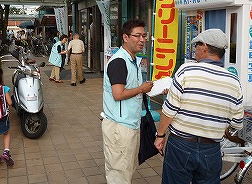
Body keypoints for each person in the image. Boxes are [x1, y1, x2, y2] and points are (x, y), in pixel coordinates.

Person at [154, 29, 244, 184]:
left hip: (181, 145)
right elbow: (237, 122)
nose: (194, 49)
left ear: (205, 47)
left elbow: (169, 111)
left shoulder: (186, 70)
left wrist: (160, 135)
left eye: (196, 45)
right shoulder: (233, 81)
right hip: (212, 150)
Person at [102, 19, 154, 184]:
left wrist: (152, 89)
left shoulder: (133, 60)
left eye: (144, 36)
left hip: (130, 125)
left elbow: (132, 88)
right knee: (119, 174)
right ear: (125, 37)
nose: (142, 40)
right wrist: (141, 89)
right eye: (137, 36)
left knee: (126, 170)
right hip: (120, 128)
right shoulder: (119, 62)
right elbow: (118, 94)